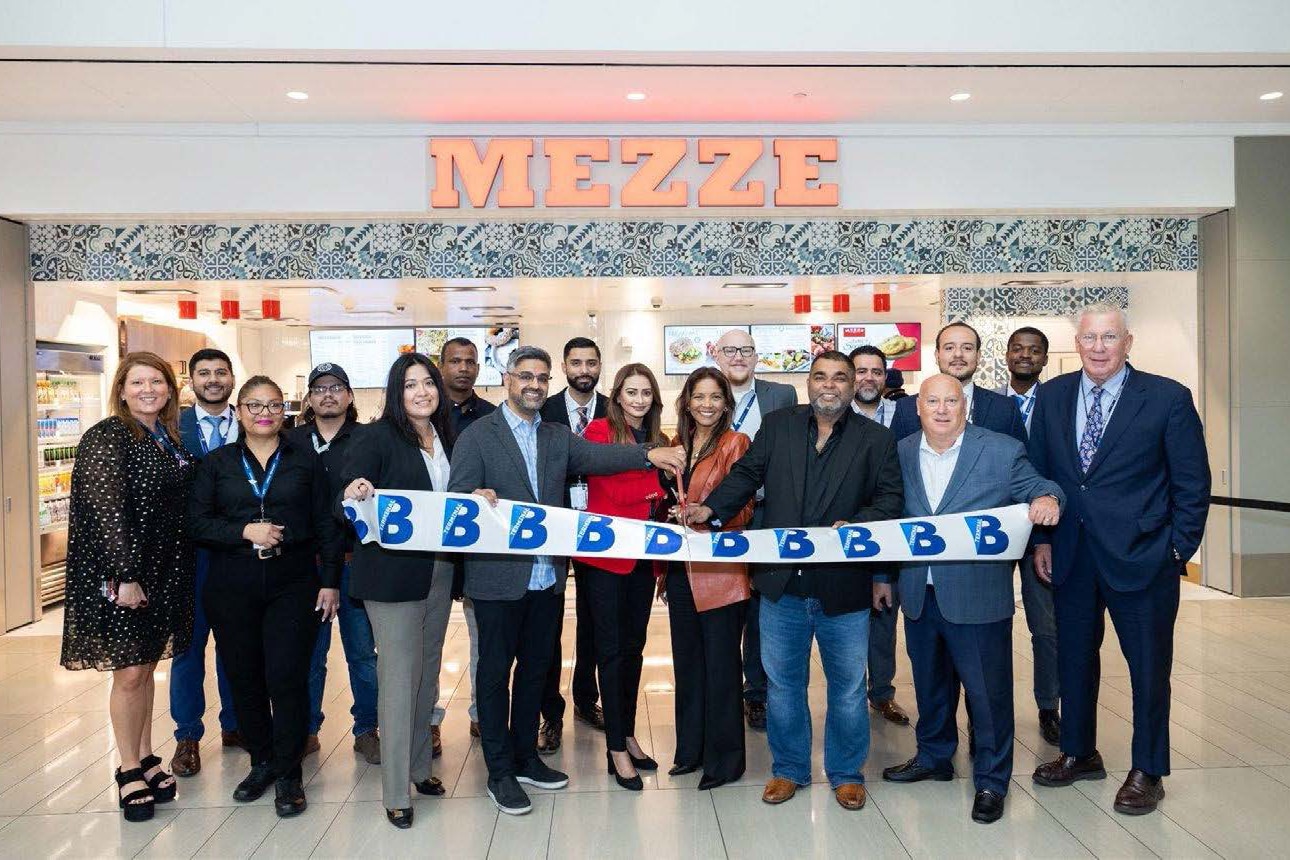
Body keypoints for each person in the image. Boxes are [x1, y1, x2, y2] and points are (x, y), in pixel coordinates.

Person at [448, 345, 685, 816]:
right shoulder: (479, 435)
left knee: (537, 672)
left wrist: (650, 453)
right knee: (495, 675)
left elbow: (601, 458)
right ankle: (499, 770)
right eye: (525, 376)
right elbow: (456, 496)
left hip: (546, 576)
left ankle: (524, 756)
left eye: (541, 377)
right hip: (497, 579)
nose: (534, 385)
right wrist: (474, 497)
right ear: (507, 379)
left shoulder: (557, 436)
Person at [677, 351, 903, 811]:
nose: (830, 385)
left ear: (851, 383)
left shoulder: (876, 439)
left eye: (840, 378)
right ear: (808, 382)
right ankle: (790, 770)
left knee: (846, 688)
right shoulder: (779, 425)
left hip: (844, 587)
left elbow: (890, 499)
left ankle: (844, 772)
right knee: (782, 686)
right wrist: (711, 509)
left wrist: (857, 523)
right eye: (820, 376)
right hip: (782, 587)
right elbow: (747, 474)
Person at [1029, 305, 1210, 816]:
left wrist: (1179, 547)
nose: (1100, 346)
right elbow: (1042, 473)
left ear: (1128, 341)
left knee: (1148, 668)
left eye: (1110, 336)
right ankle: (1080, 752)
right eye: (1090, 338)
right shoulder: (1053, 394)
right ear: (1078, 342)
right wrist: (1043, 540)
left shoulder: (1167, 398)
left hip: (1143, 556)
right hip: (1070, 554)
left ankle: (1148, 769)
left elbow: (1192, 482)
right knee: (1075, 659)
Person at [880, 374, 1064, 824]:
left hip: (978, 597)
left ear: (965, 406)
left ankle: (991, 780)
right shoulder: (899, 452)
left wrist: (1045, 498)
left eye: (951, 401)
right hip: (918, 594)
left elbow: (1045, 486)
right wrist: (884, 577)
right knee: (929, 685)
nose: (942, 409)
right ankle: (934, 757)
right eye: (932, 401)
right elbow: (887, 517)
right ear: (917, 408)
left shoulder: (1000, 450)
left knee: (988, 695)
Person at [189, 376, 342, 819]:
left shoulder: (306, 462)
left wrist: (329, 581)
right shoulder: (216, 463)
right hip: (231, 582)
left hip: (292, 582)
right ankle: (262, 763)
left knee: (286, 676)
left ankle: (290, 771)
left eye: (273, 405)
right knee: (244, 677)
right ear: (238, 412)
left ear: (285, 412)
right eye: (254, 405)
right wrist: (243, 530)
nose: (264, 413)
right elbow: (196, 523)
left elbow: (327, 526)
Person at [60, 352, 195, 823]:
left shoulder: (165, 436)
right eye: (138, 382)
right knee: (130, 673)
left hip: (165, 571)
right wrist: (125, 575)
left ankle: (147, 753)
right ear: (121, 389)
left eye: (156, 382)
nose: (148, 390)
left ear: (169, 391)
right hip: (128, 576)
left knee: (147, 665)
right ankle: (128, 768)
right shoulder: (108, 436)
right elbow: (105, 510)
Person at [340, 353, 458, 829]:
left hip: (441, 569)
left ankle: (418, 768)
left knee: (427, 675)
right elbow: (346, 494)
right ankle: (394, 791)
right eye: (410, 385)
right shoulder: (375, 436)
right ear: (396, 392)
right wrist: (356, 492)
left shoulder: (447, 436)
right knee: (397, 679)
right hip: (392, 576)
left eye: (428, 382)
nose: (422, 392)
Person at [572, 363, 669, 791]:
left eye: (646, 392)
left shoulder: (660, 439)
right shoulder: (597, 433)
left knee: (634, 651)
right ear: (617, 396)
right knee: (610, 652)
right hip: (605, 563)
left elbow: (658, 500)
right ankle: (614, 750)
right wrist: (652, 484)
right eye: (631, 391)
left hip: (642, 561)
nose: (639, 399)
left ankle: (627, 733)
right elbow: (614, 493)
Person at [660, 367, 755, 790]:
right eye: (699, 396)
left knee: (720, 665)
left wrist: (708, 514)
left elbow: (746, 507)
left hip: (720, 569)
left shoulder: (737, 444)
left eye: (716, 397)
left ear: (727, 403)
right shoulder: (677, 447)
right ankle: (690, 751)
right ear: (686, 401)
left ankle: (726, 760)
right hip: (682, 569)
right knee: (688, 663)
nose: (707, 404)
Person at [292, 363, 381, 765]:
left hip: (356, 562)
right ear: (309, 399)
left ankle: (367, 729)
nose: (328, 394)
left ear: (349, 395)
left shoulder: (368, 439)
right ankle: (307, 728)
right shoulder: (290, 441)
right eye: (319, 388)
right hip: (305, 567)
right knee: (310, 653)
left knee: (362, 653)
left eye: (336, 387)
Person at [711, 328, 798, 730]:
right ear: (716, 355)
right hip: (723, 517)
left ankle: (757, 693)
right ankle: (725, 691)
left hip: (769, 514)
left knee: (764, 606)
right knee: (728, 606)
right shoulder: (707, 395)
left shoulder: (781, 396)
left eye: (746, 350)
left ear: (756, 356)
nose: (738, 357)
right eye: (730, 350)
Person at [169, 347, 241, 778]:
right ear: (191, 381)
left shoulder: (253, 421)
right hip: (187, 558)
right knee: (188, 649)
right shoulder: (171, 427)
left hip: (238, 555)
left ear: (232, 378)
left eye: (220, 372)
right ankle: (187, 736)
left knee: (236, 646)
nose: (213, 379)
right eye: (204, 373)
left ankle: (235, 725)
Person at [536, 336, 608, 751]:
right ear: (564, 366)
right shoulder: (541, 409)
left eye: (591, 362)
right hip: (553, 525)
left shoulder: (615, 409)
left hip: (600, 527)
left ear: (600, 366)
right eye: (576, 362)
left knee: (594, 619)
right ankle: (550, 713)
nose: (584, 369)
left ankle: (586, 699)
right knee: (547, 620)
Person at [996, 326, 1061, 746]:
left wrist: (1045, 535)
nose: (1025, 356)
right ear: (1006, 354)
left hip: (1044, 528)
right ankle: (987, 708)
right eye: (1017, 348)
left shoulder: (1059, 403)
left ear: (1044, 357)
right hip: (997, 528)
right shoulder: (989, 405)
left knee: (1047, 626)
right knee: (990, 623)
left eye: (1033, 350)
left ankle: (1048, 706)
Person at [849, 345, 909, 728]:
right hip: (849, 529)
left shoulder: (906, 415)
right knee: (849, 618)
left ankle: (882, 694)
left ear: (885, 377)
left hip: (896, 530)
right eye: (860, 371)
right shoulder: (835, 418)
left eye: (876, 371)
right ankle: (850, 694)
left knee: (886, 616)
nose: (868, 378)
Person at [441, 336, 496, 742]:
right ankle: (427, 722)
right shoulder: (419, 414)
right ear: (441, 365)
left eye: (470, 362)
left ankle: (482, 714)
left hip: (479, 550)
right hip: (431, 550)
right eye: (455, 361)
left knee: (484, 639)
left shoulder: (492, 418)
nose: (463, 368)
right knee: (429, 640)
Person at [891, 322, 1026, 444]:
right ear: (937, 356)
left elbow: (1019, 463)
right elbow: (894, 463)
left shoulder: (1006, 408)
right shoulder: (906, 408)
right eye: (949, 348)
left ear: (978, 356)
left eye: (967, 348)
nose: (958, 354)